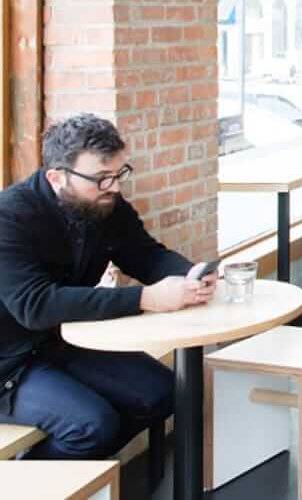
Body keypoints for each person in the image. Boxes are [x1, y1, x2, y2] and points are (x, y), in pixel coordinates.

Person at [0, 114, 216, 460]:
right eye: (101, 178)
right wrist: (145, 298)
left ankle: (73, 476)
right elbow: (35, 305)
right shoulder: (9, 216)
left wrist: (190, 274)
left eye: (118, 174)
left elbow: (144, 255)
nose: (114, 187)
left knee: (164, 392)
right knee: (91, 425)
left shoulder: (104, 206)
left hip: (64, 340)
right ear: (57, 177)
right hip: (8, 364)